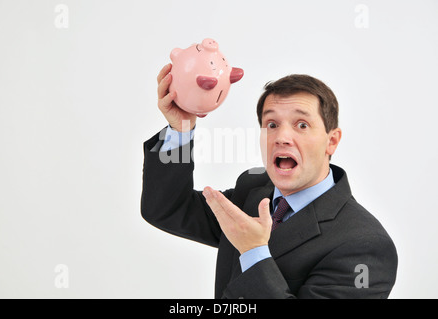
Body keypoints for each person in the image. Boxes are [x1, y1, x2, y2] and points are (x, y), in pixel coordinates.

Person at [141, 63, 398, 299]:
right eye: (272, 124)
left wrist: (254, 252)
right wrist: (181, 128)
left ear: (331, 141)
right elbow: (168, 209)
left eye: (302, 125)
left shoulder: (365, 246)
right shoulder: (252, 190)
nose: (282, 137)